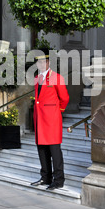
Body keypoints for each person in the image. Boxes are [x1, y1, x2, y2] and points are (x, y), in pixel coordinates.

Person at [31, 49, 69, 190]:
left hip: (51, 119)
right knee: (42, 149)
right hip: (40, 118)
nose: (40, 64)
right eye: (38, 62)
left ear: (48, 63)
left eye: (43, 61)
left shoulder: (57, 78)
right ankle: (45, 177)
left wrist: (57, 110)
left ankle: (58, 180)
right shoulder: (37, 78)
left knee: (54, 150)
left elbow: (64, 98)